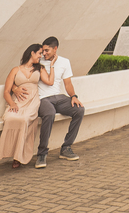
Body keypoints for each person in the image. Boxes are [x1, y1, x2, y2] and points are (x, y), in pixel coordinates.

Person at [0, 43, 54, 168]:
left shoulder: (40, 69)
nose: (41, 56)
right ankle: (11, 153)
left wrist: (52, 66)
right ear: (32, 53)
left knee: (24, 120)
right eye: (39, 53)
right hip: (17, 102)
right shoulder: (15, 70)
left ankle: (18, 157)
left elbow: (50, 82)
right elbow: (6, 91)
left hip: (32, 103)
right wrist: (12, 102)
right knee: (11, 118)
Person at [34, 35, 85, 168]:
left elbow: (67, 83)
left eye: (47, 50)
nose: (44, 53)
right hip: (42, 99)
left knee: (79, 110)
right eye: (43, 51)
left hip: (58, 97)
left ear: (55, 49)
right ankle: (42, 154)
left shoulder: (64, 62)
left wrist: (74, 96)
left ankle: (66, 148)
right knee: (49, 113)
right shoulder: (38, 61)